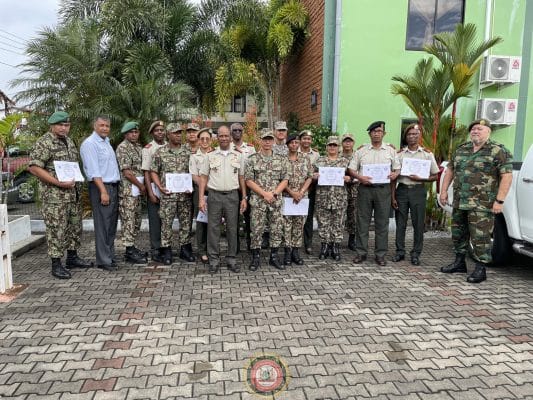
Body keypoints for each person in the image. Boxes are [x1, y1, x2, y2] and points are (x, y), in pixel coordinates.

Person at [439, 119, 513, 283]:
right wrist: (443, 191)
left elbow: (506, 176)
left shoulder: (497, 151)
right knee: (458, 233)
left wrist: (499, 201)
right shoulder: (462, 149)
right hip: (460, 201)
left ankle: (481, 268)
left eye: (479, 129)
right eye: (473, 129)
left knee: (480, 237)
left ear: (488, 131)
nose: (475, 131)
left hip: (482, 204)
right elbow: (450, 170)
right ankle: (459, 262)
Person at [28, 111, 92, 279]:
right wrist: (58, 183)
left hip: (72, 194)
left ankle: (72, 257)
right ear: (52, 126)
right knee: (57, 230)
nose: (64, 128)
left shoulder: (69, 142)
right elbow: (34, 167)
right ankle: (56, 264)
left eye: (67, 125)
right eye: (61, 125)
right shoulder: (44, 143)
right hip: (54, 197)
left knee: (74, 227)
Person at [348, 121, 400, 266]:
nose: (376, 133)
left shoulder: (390, 151)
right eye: (374, 131)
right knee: (362, 222)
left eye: (379, 131)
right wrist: (360, 177)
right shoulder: (361, 151)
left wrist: (395, 174)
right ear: (369, 134)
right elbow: (351, 169)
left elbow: (397, 169)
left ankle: (380, 255)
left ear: (384, 133)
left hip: (383, 190)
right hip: (365, 190)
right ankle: (361, 253)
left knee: (382, 223)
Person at [198, 125, 247, 273]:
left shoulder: (238, 155)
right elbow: (203, 177)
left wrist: (243, 197)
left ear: (230, 137)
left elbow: (242, 177)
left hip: (232, 196)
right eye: (221, 136)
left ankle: (231, 259)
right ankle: (214, 260)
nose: (224, 138)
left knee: (232, 228)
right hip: (214, 196)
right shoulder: (210, 156)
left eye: (226, 136)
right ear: (217, 138)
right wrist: (201, 198)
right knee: (213, 229)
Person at [392, 124, 439, 265]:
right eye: (409, 134)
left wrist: (421, 178)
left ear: (419, 136)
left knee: (418, 223)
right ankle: (400, 252)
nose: (412, 136)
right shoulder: (399, 154)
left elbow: (435, 176)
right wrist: (393, 196)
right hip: (402, 190)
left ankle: (416, 253)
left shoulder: (427, 154)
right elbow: (394, 177)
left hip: (418, 190)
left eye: (415, 134)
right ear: (406, 137)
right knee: (400, 223)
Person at [80, 115, 121, 271]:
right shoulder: (90, 144)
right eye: (102, 125)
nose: (105, 128)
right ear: (94, 126)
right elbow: (93, 170)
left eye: (107, 126)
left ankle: (109, 256)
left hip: (113, 186)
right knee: (103, 225)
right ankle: (103, 260)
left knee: (111, 225)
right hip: (101, 187)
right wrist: (103, 191)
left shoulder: (106, 142)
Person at [150, 125, 196, 265]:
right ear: (168, 134)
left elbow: (194, 170)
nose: (178, 135)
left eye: (180, 133)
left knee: (186, 223)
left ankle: (185, 249)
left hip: (185, 196)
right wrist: (159, 187)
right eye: (175, 133)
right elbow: (153, 171)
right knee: (166, 223)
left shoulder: (188, 151)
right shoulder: (160, 152)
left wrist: (191, 186)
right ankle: (167, 249)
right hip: (168, 195)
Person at [245, 130, 289, 271]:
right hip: (258, 201)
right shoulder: (252, 159)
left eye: (270, 139)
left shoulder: (281, 160)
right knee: (256, 230)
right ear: (260, 140)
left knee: (276, 229)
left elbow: (285, 179)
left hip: (275, 201)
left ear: (273, 140)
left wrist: (274, 193)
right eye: (265, 139)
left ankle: (274, 257)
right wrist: (264, 194)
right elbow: (249, 181)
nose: (267, 142)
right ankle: (255, 258)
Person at [313, 136, 351, 261]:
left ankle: (335, 247)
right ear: (326, 147)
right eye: (330, 145)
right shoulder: (319, 161)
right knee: (323, 222)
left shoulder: (345, 161)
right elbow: (310, 175)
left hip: (339, 197)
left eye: (335, 145)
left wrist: (348, 179)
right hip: (323, 197)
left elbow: (352, 177)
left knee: (338, 223)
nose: (332, 147)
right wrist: (315, 175)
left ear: (338, 147)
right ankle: (324, 246)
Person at [115, 121, 147, 264]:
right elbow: (127, 172)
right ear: (125, 134)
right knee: (129, 220)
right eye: (131, 132)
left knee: (136, 220)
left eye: (136, 132)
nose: (134, 134)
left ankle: (132, 247)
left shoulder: (138, 147)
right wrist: (141, 186)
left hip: (137, 191)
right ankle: (129, 251)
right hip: (128, 191)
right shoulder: (123, 148)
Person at [282, 134, 313, 266]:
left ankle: (296, 252)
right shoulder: (282, 159)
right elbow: (280, 179)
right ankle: (287, 252)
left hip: (301, 198)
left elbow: (310, 177)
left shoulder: (305, 159)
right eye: (291, 143)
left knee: (299, 225)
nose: (294, 145)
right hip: (287, 197)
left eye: (296, 142)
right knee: (286, 226)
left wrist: (300, 192)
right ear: (287, 145)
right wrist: (292, 192)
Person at [141, 120, 167, 262]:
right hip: (155, 189)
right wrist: (150, 192)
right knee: (155, 220)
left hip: (169, 189)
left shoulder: (170, 147)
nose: (160, 132)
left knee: (166, 220)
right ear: (152, 133)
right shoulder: (148, 149)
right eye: (157, 130)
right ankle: (155, 249)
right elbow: (146, 171)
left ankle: (165, 247)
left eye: (162, 130)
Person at [230, 122, 255, 253]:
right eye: (235, 130)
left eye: (240, 130)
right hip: (233, 188)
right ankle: (235, 247)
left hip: (248, 188)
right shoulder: (226, 148)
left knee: (249, 218)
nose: (237, 132)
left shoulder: (250, 149)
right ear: (231, 132)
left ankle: (251, 245)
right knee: (233, 219)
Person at [190, 127, 214, 265]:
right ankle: (202, 251)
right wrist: (208, 185)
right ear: (198, 141)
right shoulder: (194, 157)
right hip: (201, 192)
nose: (205, 141)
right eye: (202, 139)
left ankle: (212, 250)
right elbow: (195, 176)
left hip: (215, 193)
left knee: (214, 222)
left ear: (211, 140)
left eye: (207, 138)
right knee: (201, 223)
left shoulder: (216, 154)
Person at [299, 129, 320, 254]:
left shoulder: (316, 155)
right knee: (293, 217)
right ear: (300, 140)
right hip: (295, 190)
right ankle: (290, 243)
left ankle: (308, 244)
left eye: (309, 139)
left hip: (310, 190)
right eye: (304, 138)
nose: (306, 141)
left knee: (308, 218)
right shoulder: (294, 152)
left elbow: (320, 170)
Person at [340, 133, 359, 251]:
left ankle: (352, 240)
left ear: (353, 143)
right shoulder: (337, 156)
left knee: (353, 215)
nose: (348, 143)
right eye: (345, 141)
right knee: (340, 216)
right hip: (340, 191)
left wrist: (352, 178)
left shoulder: (358, 156)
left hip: (355, 190)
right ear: (342, 143)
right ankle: (336, 240)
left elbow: (363, 172)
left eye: (350, 141)